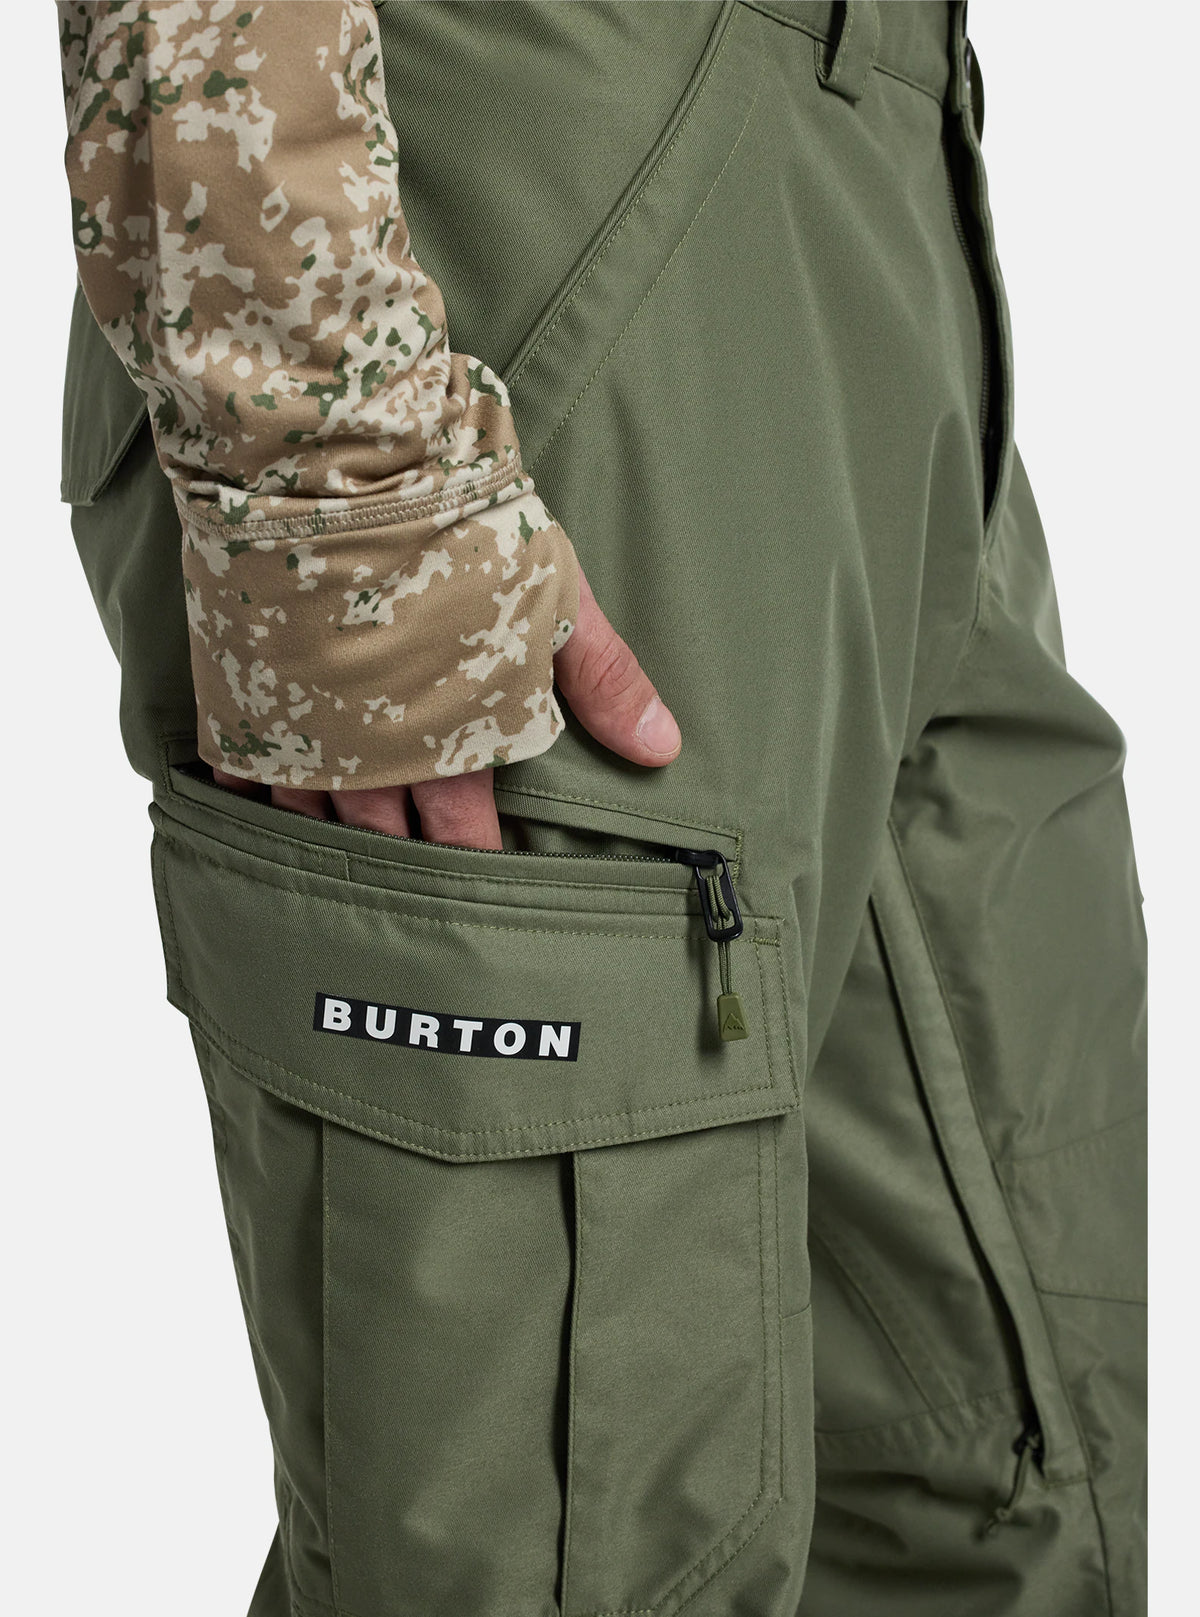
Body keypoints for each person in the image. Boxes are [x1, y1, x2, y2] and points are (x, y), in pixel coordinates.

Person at [57, 3, 1147, 1614]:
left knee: (1001, 1470)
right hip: (516, 208)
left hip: (882, 184)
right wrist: (347, 466)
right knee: (566, 1552)